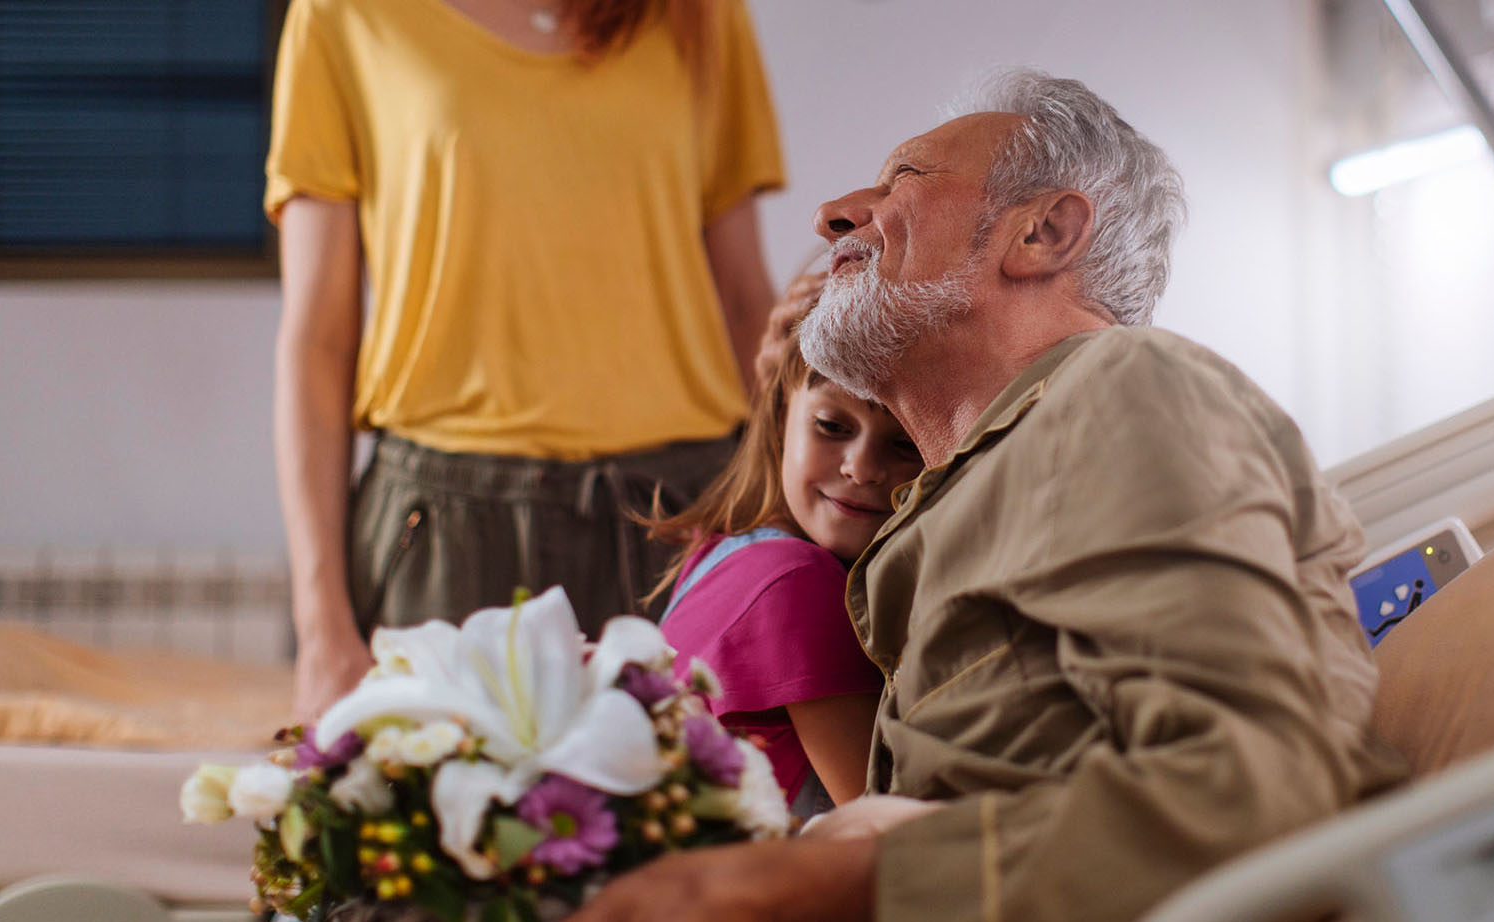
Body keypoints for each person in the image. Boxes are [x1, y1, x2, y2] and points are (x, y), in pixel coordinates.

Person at [566, 69, 1404, 922]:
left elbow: (1266, 788)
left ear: (1042, 233)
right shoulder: (968, 487)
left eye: (904, 182)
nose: (833, 217)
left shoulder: (1122, 388)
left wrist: (829, 883)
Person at [266, 0, 786, 723]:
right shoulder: (343, 16)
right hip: (446, 532)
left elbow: (742, 299)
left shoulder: (698, 13)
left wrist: (790, 534)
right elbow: (317, 343)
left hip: (678, 523)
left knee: (697, 834)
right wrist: (321, 630)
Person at [644, 331, 925, 817]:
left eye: (903, 444)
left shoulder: (725, 547)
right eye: (832, 426)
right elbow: (879, 828)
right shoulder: (799, 583)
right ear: (780, 421)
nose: (861, 468)